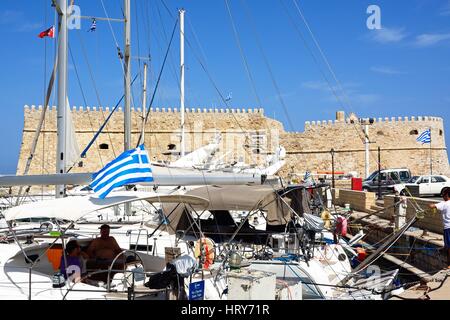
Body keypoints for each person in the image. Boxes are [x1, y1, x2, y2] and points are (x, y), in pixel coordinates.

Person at [429, 187, 450, 269]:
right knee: (447, 246)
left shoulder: (444, 204)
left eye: (443, 195)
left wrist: (431, 204)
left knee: (449, 247)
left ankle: (449, 264)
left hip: (448, 228)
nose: (442, 197)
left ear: (447, 195)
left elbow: (431, 206)